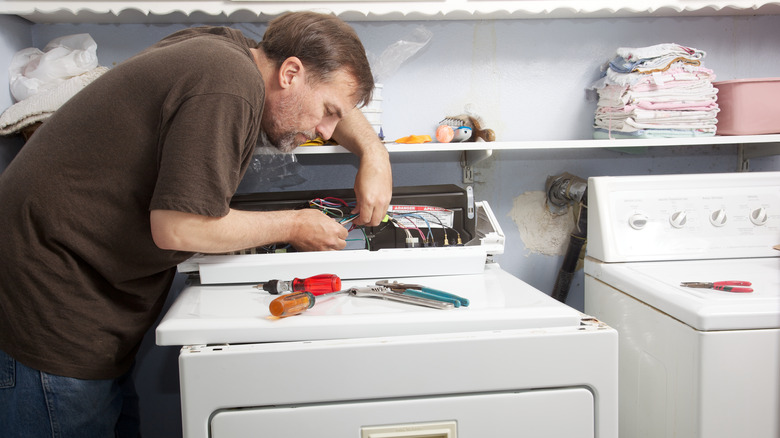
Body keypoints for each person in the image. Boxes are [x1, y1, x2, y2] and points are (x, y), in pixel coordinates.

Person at [0, 11, 392, 437]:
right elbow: (180, 228)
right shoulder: (227, 87)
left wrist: (375, 154)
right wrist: (296, 224)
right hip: (50, 297)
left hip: (83, 289)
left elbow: (327, 86)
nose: (326, 130)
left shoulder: (235, 53)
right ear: (290, 73)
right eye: (327, 113)